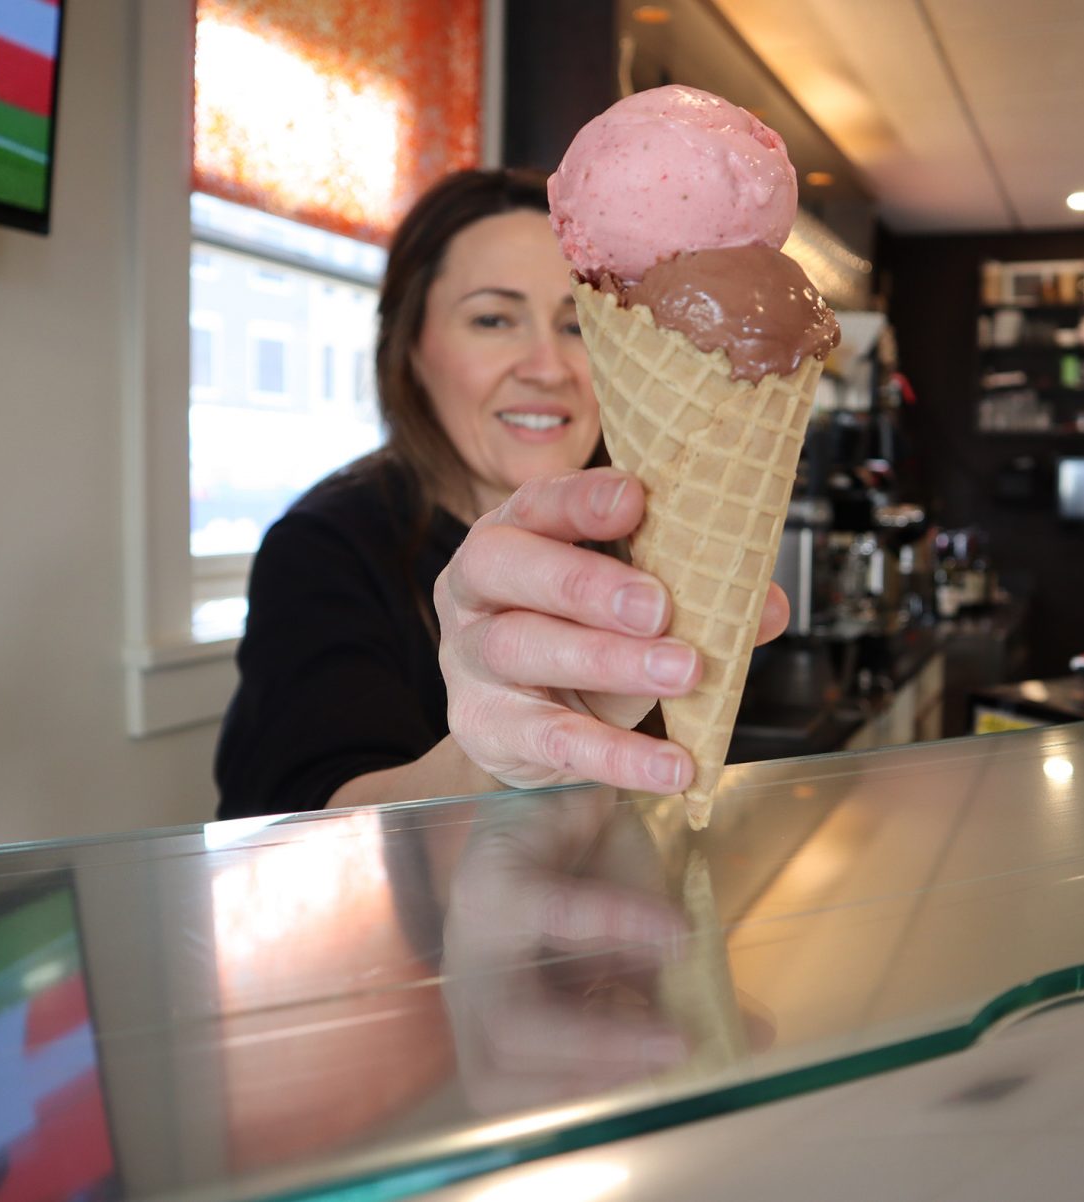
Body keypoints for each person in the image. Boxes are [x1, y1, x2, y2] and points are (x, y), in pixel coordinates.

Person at [215, 169, 788, 820]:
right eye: (493, 319)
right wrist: (498, 760)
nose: (546, 368)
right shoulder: (325, 548)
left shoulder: (646, 538)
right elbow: (305, 825)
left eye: (576, 326)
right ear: (410, 350)